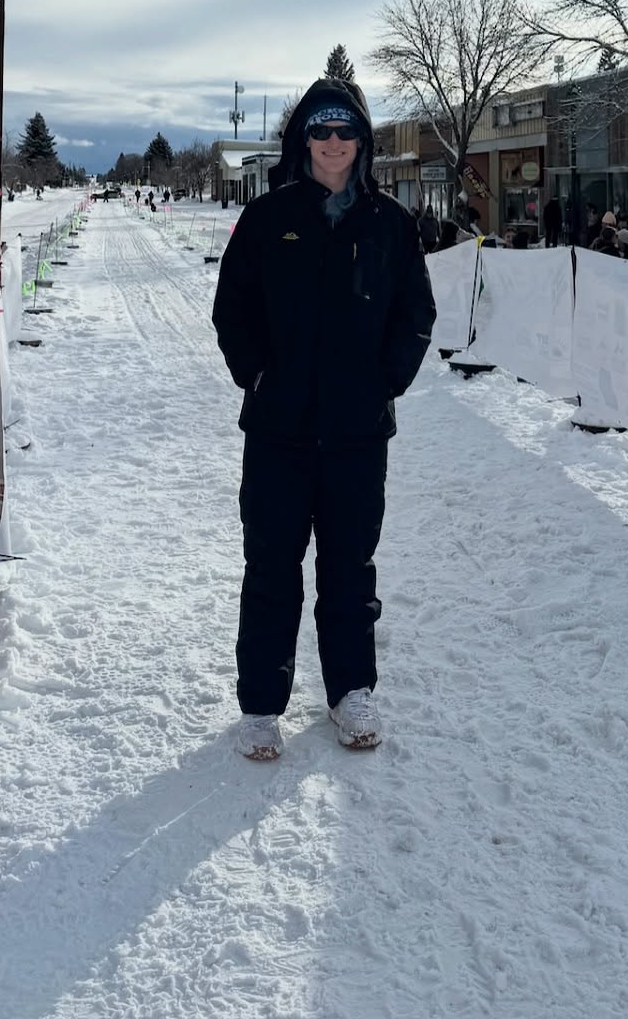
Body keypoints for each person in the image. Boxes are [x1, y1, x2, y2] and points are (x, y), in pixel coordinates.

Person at [212, 78, 436, 761]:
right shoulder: (267, 216)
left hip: (357, 435)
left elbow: (416, 314)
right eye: (321, 130)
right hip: (277, 431)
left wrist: (385, 382)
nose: (333, 143)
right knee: (272, 566)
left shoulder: (390, 222)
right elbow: (232, 310)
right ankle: (260, 704)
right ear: (301, 139)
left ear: (362, 141)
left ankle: (350, 692)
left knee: (349, 568)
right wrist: (257, 374)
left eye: (345, 131)